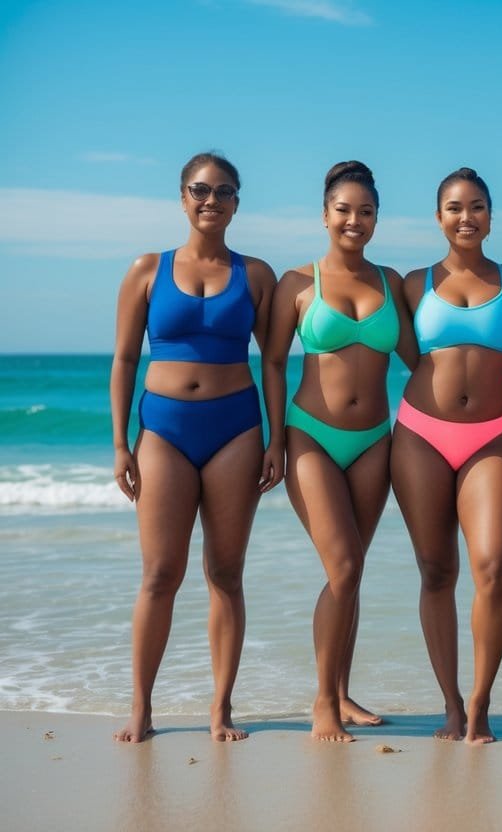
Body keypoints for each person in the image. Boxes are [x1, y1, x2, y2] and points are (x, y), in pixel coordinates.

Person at [111, 152, 277, 743]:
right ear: (182, 198)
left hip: (235, 428)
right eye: (200, 190)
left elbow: (275, 361)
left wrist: (275, 436)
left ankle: (220, 709)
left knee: (225, 572)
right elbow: (126, 359)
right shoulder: (146, 270)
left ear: (237, 202)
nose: (212, 201)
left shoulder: (256, 274)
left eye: (224, 191)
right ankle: (141, 708)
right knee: (160, 572)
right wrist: (121, 443)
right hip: (163, 431)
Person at [263, 161, 416, 742]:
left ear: (377, 218)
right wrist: (274, 438)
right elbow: (274, 362)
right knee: (343, 567)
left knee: (352, 573)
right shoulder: (297, 283)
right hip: (312, 437)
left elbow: (420, 362)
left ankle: (344, 692)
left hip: (376, 438)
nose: (355, 220)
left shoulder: (390, 281)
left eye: (367, 211)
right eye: (344, 210)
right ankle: (323, 701)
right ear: (325, 215)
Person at [392, 168, 502, 744]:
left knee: (494, 570)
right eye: (454, 207)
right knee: (436, 571)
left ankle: (480, 702)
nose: (466, 217)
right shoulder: (412, 283)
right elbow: (407, 353)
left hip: (492, 435)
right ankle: (450, 703)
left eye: (477, 206)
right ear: (438, 217)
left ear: (491, 215)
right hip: (421, 432)